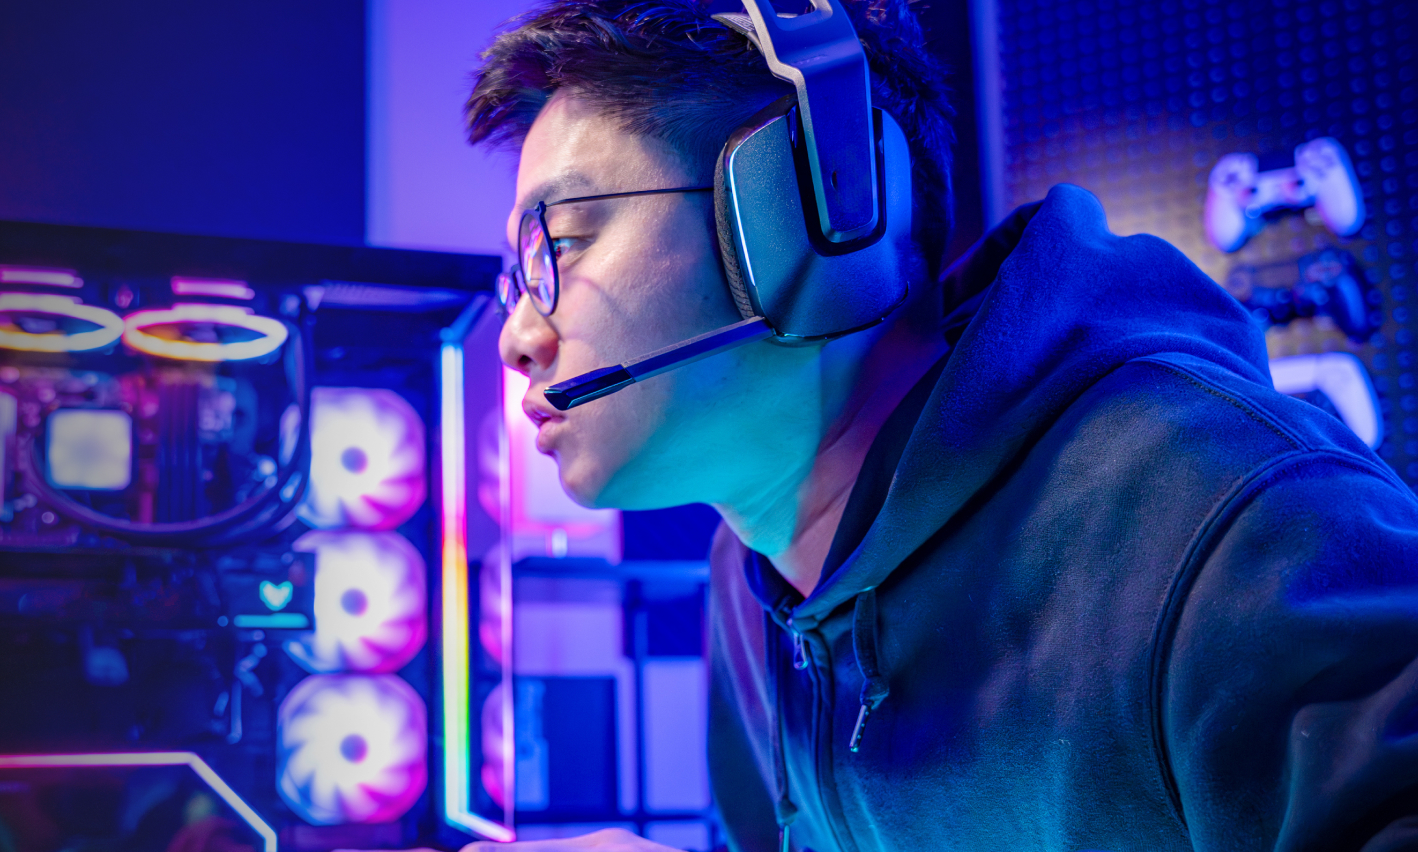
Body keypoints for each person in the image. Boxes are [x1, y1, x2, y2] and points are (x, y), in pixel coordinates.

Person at [388, 0, 1418, 849]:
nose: (517, 333)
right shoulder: (750, 587)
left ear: (813, 216)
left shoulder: (1228, 526)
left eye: (559, 244)